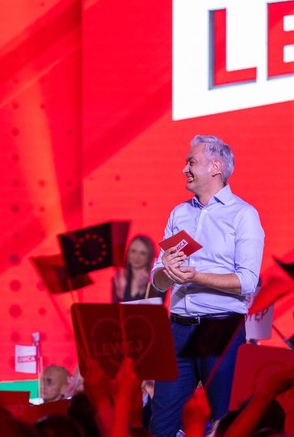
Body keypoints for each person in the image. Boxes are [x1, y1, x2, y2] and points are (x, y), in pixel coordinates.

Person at [149, 135, 265, 437]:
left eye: (191, 162)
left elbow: (247, 281)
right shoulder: (179, 213)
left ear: (215, 167)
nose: (184, 169)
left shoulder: (243, 215)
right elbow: (157, 279)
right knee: (161, 425)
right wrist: (166, 270)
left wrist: (195, 277)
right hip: (177, 327)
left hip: (219, 327)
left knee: (222, 423)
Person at [112, 235, 164, 302]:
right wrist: (119, 292)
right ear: (127, 253)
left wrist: (143, 290)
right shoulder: (119, 278)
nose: (137, 257)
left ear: (149, 257)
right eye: (133, 251)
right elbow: (114, 306)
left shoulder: (157, 281)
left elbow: (157, 305)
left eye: (142, 253)